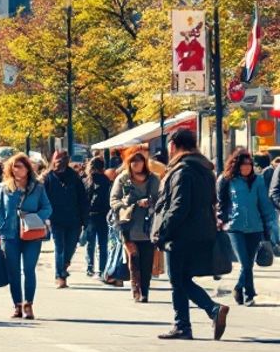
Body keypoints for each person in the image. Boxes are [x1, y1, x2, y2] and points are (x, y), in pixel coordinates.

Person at [151, 128, 229, 340]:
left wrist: (162, 232)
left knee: (178, 280)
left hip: (181, 234)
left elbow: (178, 206)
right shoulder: (204, 169)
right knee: (184, 278)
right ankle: (200, 316)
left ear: (174, 145)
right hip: (202, 231)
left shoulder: (182, 171)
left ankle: (195, 318)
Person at [0, 152, 53, 320]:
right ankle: (17, 305)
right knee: (13, 271)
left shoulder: (37, 187)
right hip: (9, 235)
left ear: (27, 169)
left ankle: (28, 304)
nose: (16, 169)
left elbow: (47, 207)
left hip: (31, 234)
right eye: (14, 167)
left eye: (20, 166)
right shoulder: (4, 188)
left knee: (28, 269)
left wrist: (34, 218)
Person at [217, 149, 279, 307]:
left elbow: (264, 203)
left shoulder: (258, 180)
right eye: (243, 164)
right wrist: (221, 219)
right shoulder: (227, 180)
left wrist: (269, 223)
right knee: (245, 263)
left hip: (255, 227)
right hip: (234, 227)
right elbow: (220, 203)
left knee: (249, 263)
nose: (246, 167)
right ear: (236, 165)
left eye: (249, 164)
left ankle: (242, 289)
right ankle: (246, 292)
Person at [110, 148, 160, 302]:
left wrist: (150, 203)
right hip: (128, 225)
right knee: (133, 258)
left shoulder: (153, 179)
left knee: (146, 260)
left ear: (144, 163)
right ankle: (135, 289)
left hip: (148, 226)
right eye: (132, 161)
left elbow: (160, 200)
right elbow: (114, 200)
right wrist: (129, 206)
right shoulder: (123, 179)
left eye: (138, 161)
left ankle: (145, 291)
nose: (135, 164)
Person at [43, 149, 86, 288]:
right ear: (53, 160)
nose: (60, 162)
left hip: (74, 219)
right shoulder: (48, 178)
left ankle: (64, 265)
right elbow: (43, 199)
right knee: (59, 247)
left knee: (71, 247)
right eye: (57, 158)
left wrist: (84, 220)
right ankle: (60, 276)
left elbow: (83, 199)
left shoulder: (74, 177)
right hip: (56, 219)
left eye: (63, 159)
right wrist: (45, 217)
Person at [82, 156, 112, 278]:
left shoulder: (87, 180)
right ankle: (102, 268)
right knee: (103, 243)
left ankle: (90, 267)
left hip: (90, 215)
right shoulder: (106, 180)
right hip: (103, 215)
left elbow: (84, 199)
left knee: (90, 243)